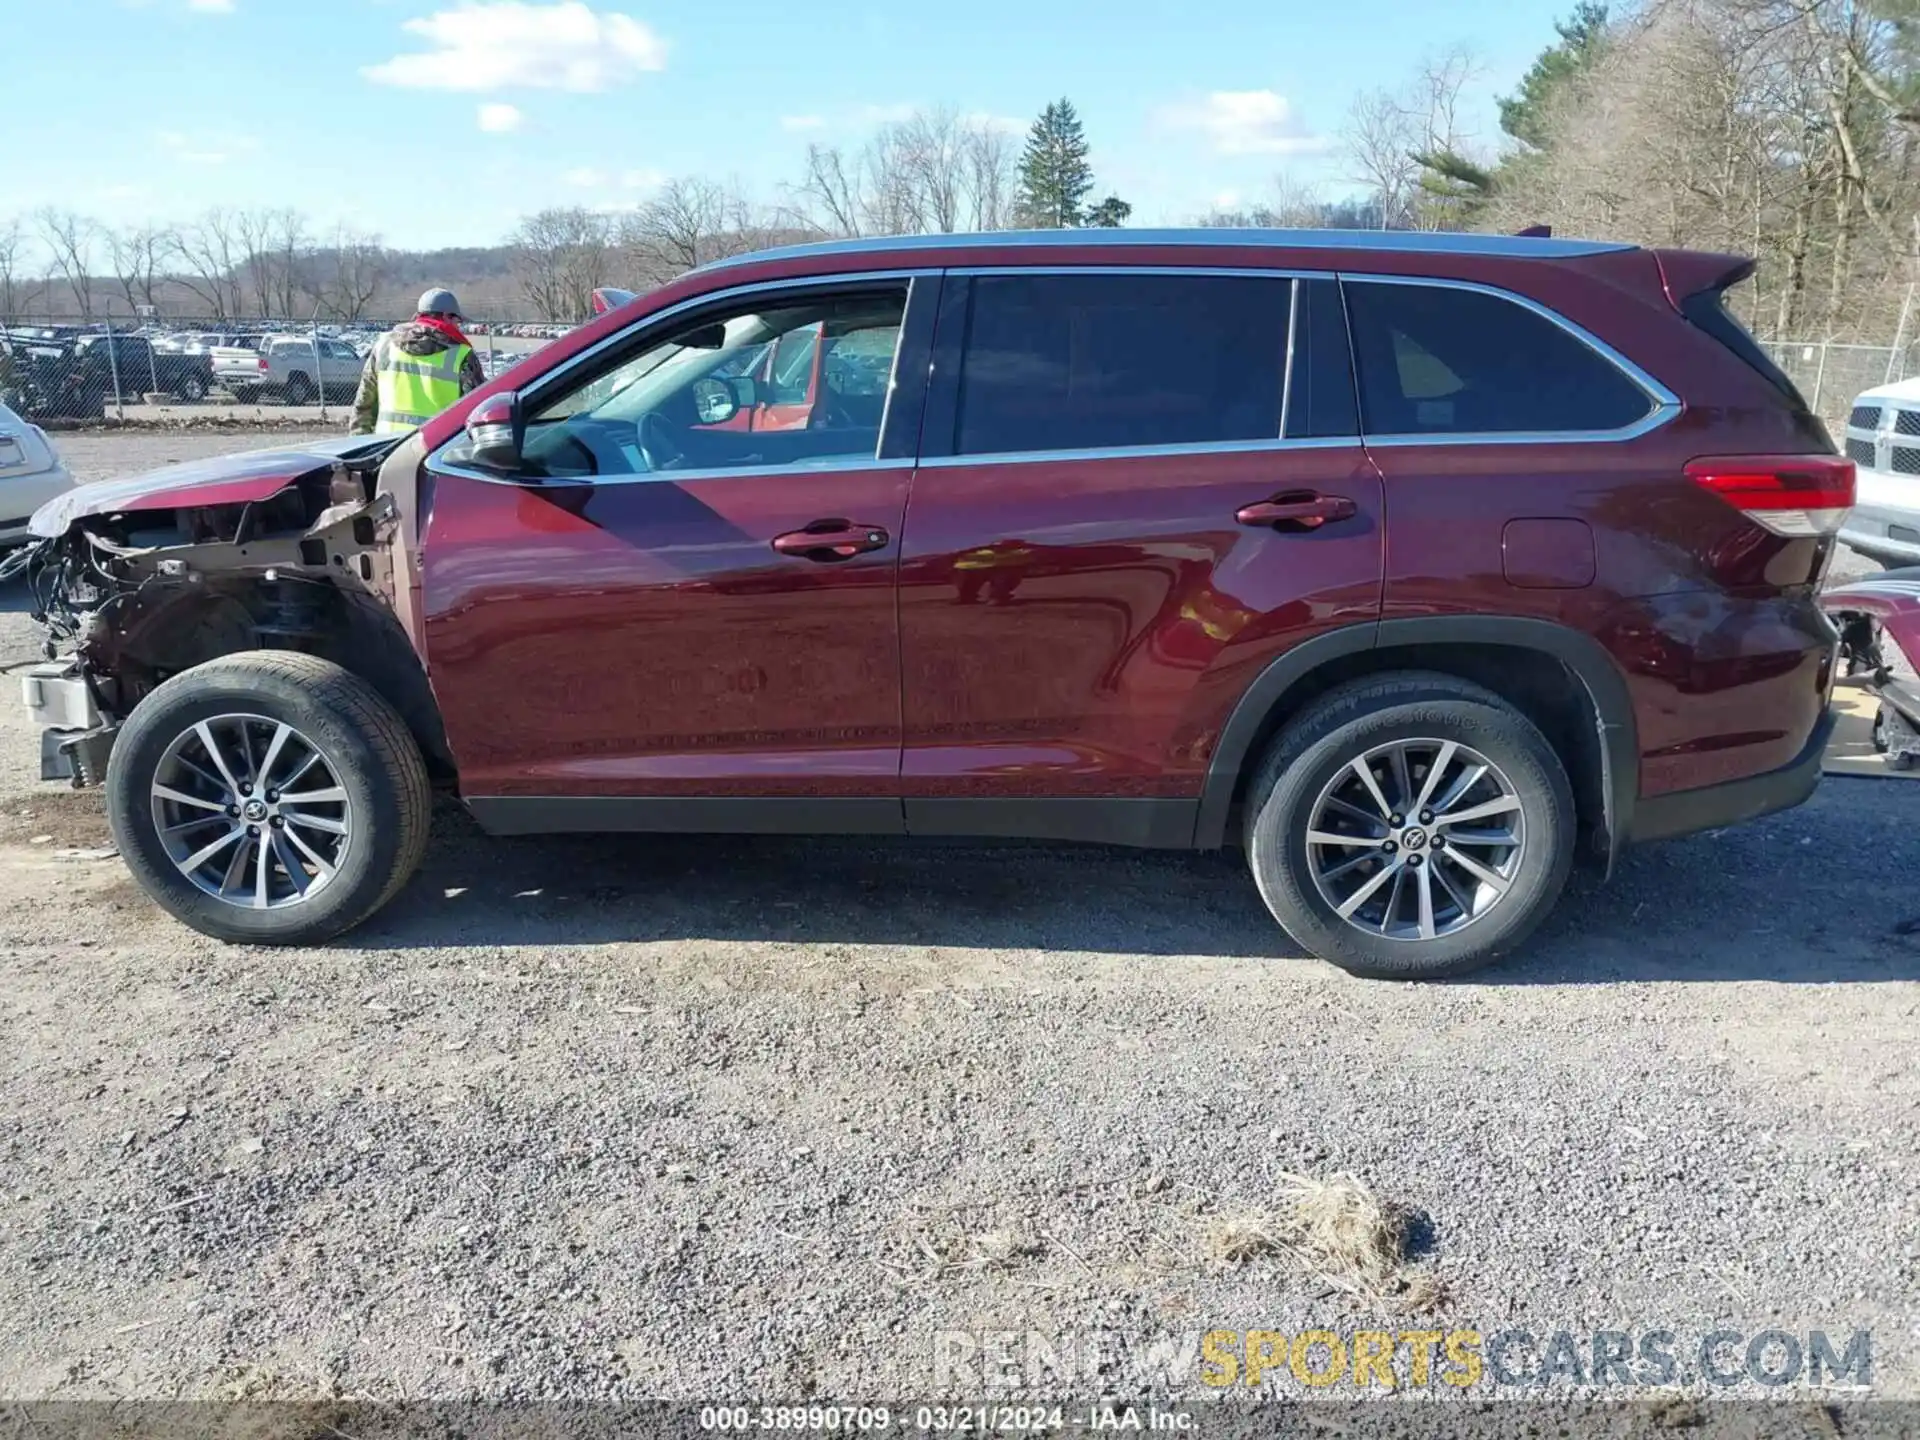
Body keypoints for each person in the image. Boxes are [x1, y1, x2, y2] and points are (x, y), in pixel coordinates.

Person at [349, 288, 486, 436]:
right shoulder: (461, 355)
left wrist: (359, 445)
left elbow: (363, 405)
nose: (458, 326)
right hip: (436, 449)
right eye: (457, 321)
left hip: (386, 447)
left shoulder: (384, 346)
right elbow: (476, 410)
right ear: (447, 317)